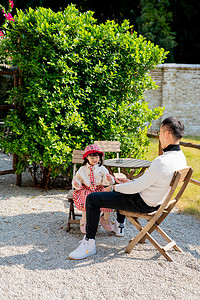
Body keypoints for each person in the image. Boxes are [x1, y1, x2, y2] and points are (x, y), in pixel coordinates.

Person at [69, 117, 187, 260]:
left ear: (167, 134)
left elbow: (135, 188)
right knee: (120, 188)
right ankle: (118, 225)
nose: (159, 136)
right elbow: (148, 181)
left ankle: (89, 243)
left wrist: (114, 187)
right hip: (156, 201)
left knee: (93, 198)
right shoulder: (180, 158)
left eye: (160, 132)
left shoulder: (161, 161)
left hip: (142, 202)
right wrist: (129, 181)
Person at [72, 144, 115, 233]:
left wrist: (108, 179)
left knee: (108, 199)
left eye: (96, 157)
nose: (94, 160)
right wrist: (77, 183)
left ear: (99, 157)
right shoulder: (82, 169)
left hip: (99, 189)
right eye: (92, 158)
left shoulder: (101, 168)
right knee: (86, 200)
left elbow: (106, 180)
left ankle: (105, 219)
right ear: (87, 158)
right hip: (87, 190)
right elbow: (77, 178)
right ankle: (85, 220)